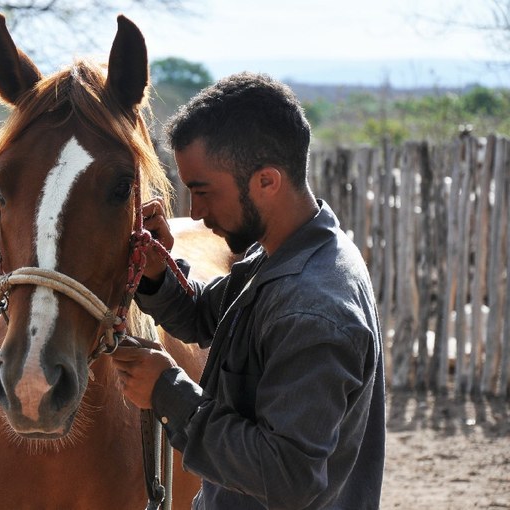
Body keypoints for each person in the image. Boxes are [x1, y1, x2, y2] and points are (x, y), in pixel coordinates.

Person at [112, 72, 386, 509]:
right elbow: (207, 318)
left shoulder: (313, 309)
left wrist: (166, 391)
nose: (195, 214)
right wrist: (157, 273)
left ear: (266, 181)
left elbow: (287, 476)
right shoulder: (287, 254)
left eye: (203, 192)